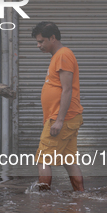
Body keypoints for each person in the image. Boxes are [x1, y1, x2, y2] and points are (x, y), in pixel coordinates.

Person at [31, 22, 84, 191]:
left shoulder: (63, 55)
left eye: (41, 41)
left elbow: (67, 90)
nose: (38, 45)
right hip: (64, 117)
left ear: (52, 38)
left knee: (43, 160)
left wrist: (59, 120)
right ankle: (80, 195)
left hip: (63, 119)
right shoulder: (58, 56)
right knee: (69, 161)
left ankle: (43, 199)